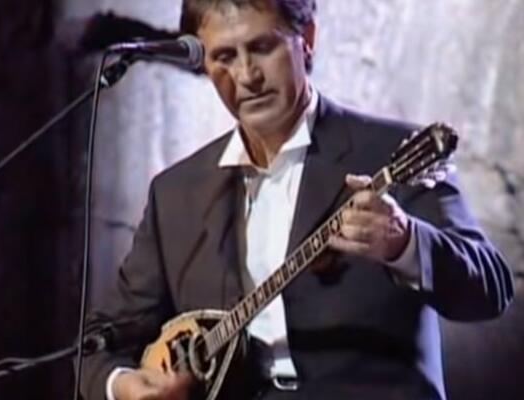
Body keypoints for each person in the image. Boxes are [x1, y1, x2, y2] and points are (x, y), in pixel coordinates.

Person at [80, 0, 514, 399]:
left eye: (262, 47)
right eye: (224, 56)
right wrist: (121, 387)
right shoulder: (176, 192)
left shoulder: (389, 152)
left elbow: (490, 288)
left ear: (306, 39)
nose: (246, 76)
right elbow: (99, 345)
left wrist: (404, 243)